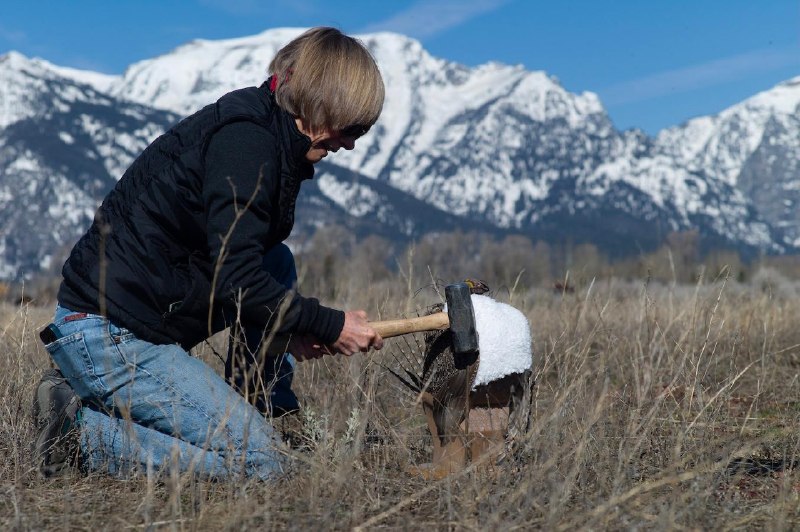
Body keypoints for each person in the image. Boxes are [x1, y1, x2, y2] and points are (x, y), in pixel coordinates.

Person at [31, 27, 385, 480]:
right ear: (321, 101)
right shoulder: (247, 144)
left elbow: (241, 267)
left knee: (276, 260)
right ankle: (78, 436)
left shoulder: (269, 132)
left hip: (132, 322)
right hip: (109, 334)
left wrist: (289, 327)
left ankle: (261, 404)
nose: (350, 144)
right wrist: (329, 323)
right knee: (264, 465)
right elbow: (237, 280)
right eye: (351, 128)